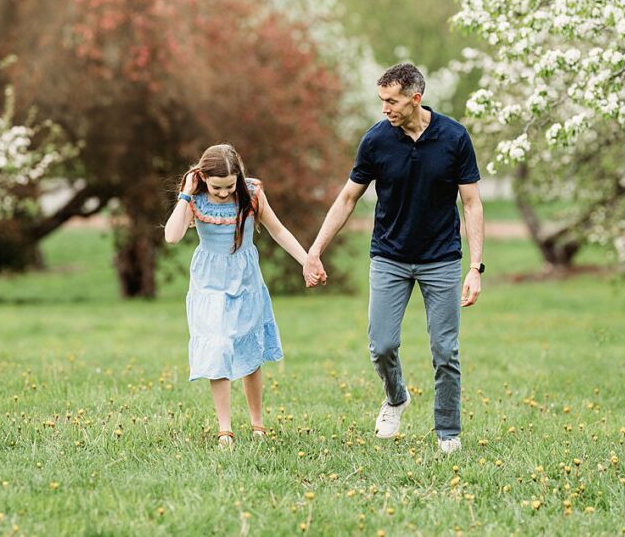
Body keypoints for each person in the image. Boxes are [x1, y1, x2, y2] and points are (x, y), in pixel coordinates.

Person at [303, 62, 484, 456]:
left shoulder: (454, 138)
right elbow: (348, 198)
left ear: (415, 99)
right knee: (381, 344)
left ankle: (448, 432)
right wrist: (315, 250)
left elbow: (471, 203)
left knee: (445, 351)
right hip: (389, 256)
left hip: (442, 259)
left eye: (392, 100)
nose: (385, 108)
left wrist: (475, 267)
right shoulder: (376, 141)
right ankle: (396, 397)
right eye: (381, 99)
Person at [164, 144, 323, 447]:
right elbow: (172, 236)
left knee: (249, 352)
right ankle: (225, 428)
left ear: (238, 177)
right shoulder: (195, 199)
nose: (224, 193)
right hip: (209, 284)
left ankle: (257, 423)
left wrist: (307, 262)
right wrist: (186, 192)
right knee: (218, 346)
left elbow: (278, 230)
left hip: (245, 278)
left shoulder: (251, 193)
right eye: (217, 187)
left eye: (229, 186)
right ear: (203, 178)